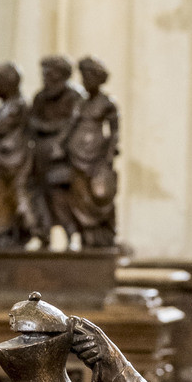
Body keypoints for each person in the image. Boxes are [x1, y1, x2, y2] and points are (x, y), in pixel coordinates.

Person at [64, 56, 119, 247]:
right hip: (77, 156)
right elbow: (70, 127)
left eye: (88, 77)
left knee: (99, 195)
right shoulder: (80, 103)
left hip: (96, 156)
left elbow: (114, 132)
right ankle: (86, 234)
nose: (85, 82)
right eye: (83, 78)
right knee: (79, 196)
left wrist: (109, 155)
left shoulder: (107, 103)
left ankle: (103, 236)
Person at [0, 61, 36, 247]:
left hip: (11, 159)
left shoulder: (17, 105)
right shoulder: (9, 105)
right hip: (3, 159)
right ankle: (3, 232)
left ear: (6, 83)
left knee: (7, 196)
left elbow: (0, 128)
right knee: (1, 197)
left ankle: (14, 230)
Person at [28, 55, 81, 239]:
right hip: (41, 156)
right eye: (44, 75)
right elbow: (32, 121)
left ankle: (71, 232)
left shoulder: (74, 97)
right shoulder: (40, 97)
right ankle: (44, 232)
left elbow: (73, 124)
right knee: (39, 195)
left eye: (50, 75)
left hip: (63, 156)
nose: (46, 79)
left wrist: (50, 131)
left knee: (60, 195)